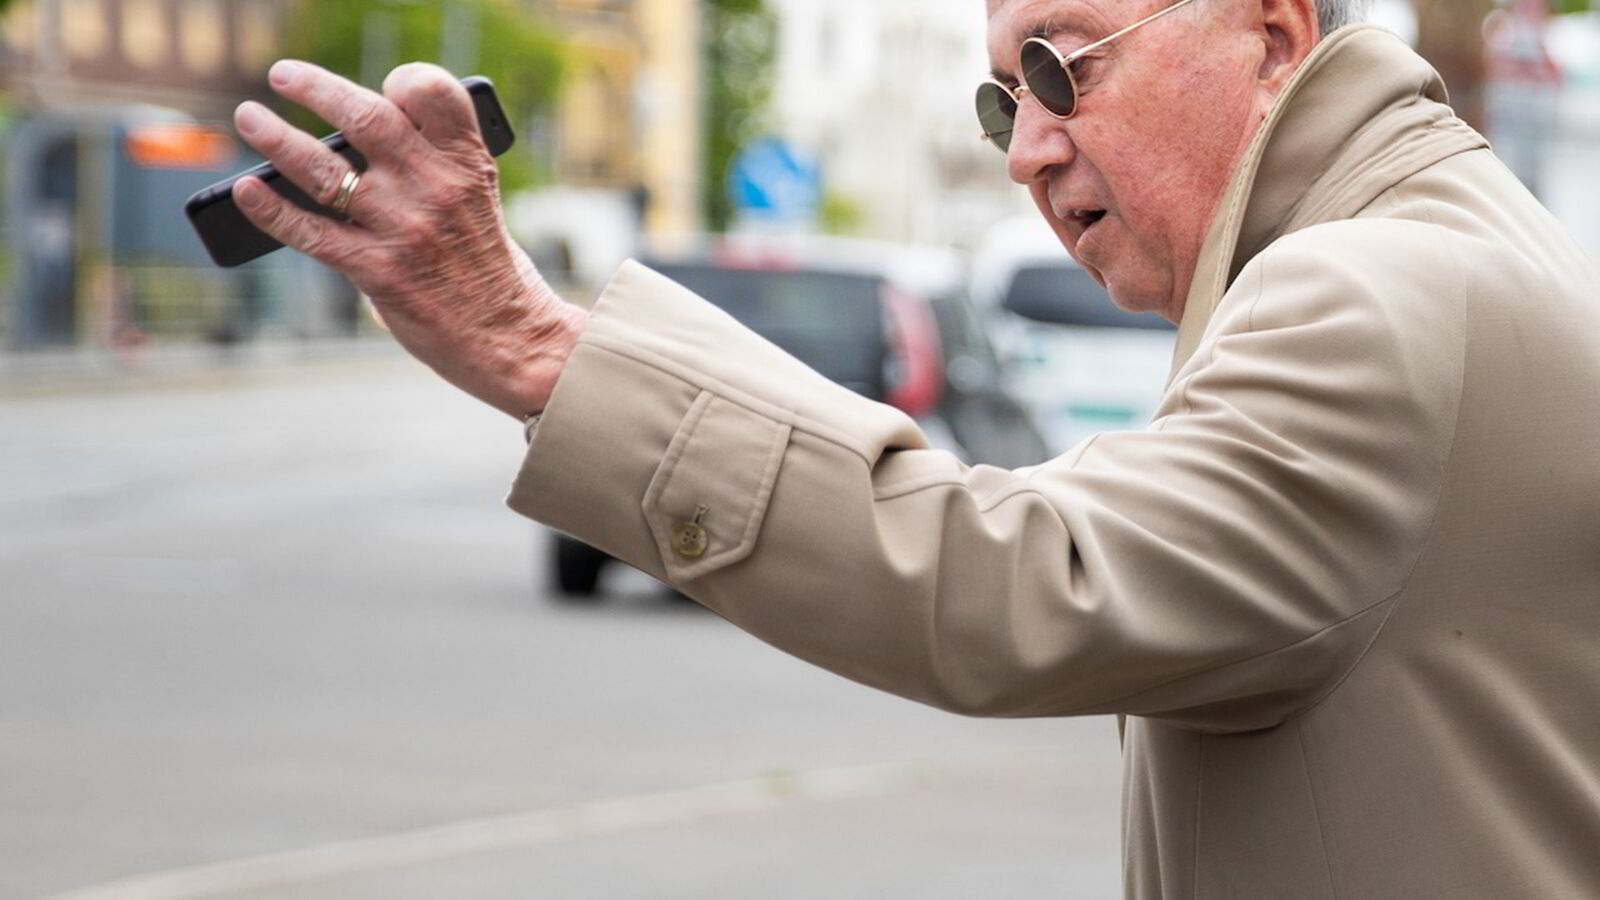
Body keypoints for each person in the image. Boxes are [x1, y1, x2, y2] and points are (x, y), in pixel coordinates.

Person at [227, 0, 1600, 895]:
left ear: (1274, 33)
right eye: (1005, 102)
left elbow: (1012, 580)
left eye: (1062, 66)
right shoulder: (1455, 238)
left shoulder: (1364, 287)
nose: (1027, 148)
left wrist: (536, 346)